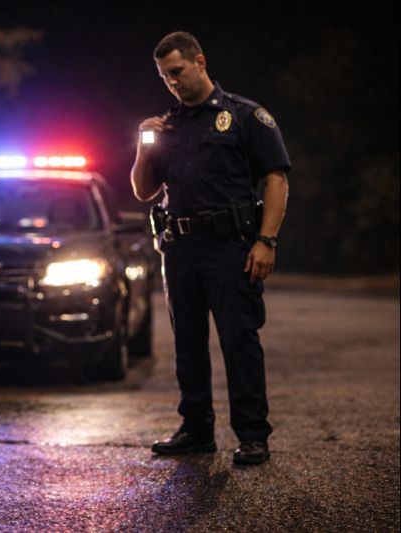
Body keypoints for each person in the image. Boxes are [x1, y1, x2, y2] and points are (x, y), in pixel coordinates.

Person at [130, 31, 290, 465]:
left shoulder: (243, 115)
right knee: (188, 343)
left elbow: (276, 180)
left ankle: (252, 434)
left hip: (229, 247)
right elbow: (144, 190)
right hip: (179, 248)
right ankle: (196, 429)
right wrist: (144, 145)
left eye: (177, 71)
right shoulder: (167, 126)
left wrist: (266, 241)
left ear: (199, 61)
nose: (173, 82)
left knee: (239, 340)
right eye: (165, 77)